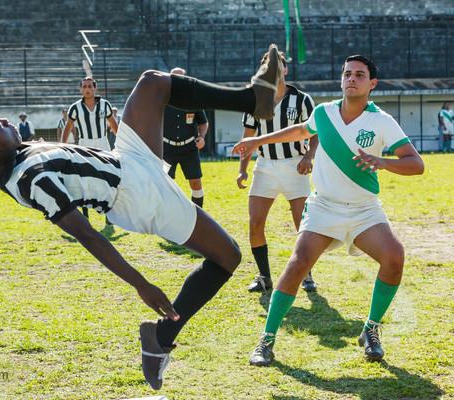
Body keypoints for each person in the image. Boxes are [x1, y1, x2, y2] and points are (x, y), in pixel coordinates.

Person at [0, 43, 282, 391]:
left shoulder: (7, 156)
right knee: (228, 255)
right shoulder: (31, 180)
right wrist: (141, 284)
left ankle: (253, 99)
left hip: (126, 161)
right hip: (136, 197)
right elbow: (88, 235)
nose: (4, 120)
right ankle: (160, 337)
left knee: (152, 83)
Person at [233, 55, 424, 366]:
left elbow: (416, 164)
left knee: (394, 257)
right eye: (347, 73)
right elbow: (298, 131)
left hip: (364, 209)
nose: (352, 78)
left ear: (372, 84)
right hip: (324, 206)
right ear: (341, 80)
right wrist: (257, 141)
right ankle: (266, 340)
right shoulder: (324, 112)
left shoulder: (382, 122)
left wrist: (384, 162)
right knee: (297, 265)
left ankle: (371, 329)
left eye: (360, 75)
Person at [237, 50, 319, 293]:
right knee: (255, 224)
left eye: (278, 66)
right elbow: (248, 138)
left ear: (285, 69)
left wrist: (307, 156)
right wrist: (242, 169)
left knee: (303, 225)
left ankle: (306, 274)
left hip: (295, 165)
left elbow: (315, 132)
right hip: (265, 167)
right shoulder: (256, 100)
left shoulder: (302, 99)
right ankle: (264, 277)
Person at [61, 77, 119, 219]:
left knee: (107, 177)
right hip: (84, 144)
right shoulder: (75, 107)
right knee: (84, 178)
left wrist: (120, 142)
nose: (87, 89)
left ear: (95, 89)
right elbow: (68, 126)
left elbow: (113, 125)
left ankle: (108, 215)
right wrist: (62, 145)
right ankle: (85, 214)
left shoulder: (105, 105)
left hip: (102, 143)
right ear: (80, 90)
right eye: (84, 87)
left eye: (90, 86)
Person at [163, 67, 209, 208]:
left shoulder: (194, 100)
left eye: (181, 78)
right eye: (174, 78)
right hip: (166, 149)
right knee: (166, 184)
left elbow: (203, 122)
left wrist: (201, 137)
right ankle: (169, 214)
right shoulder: (161, 99)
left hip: (190, 148)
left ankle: (198, 215)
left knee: (196, 182)